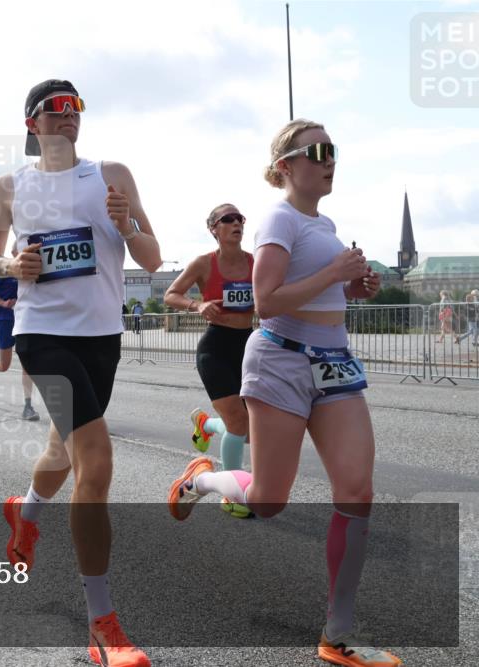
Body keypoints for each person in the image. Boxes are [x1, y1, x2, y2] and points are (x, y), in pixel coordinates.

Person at [166, 119, 401, 666]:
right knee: (269, 501)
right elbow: (267, 301)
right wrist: (334, 272)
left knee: (357, 492)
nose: (330, 160)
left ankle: (337, 636)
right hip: (281, 362)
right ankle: (201, 479)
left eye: (333, 150)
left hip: (334, 363)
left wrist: (354, 286)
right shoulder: (278, 218)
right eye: (318, 151)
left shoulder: (325, 223)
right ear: (285, 167)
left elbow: (320, 292)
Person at [0, 79, 161, 667]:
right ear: (32, 123)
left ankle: (24, 511)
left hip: (101, 337)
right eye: (55, 108)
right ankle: (102, 626)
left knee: (63, 448)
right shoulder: (12, 186)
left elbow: (152, 258)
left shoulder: (111, 174)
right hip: (41, 332)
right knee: (96, 461)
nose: (69, 115)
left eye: (76, 106)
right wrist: (11, 264)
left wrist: (127, 223)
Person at [164, 203, 254, 518]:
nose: (236, 222)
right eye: (228, 219)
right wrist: (197, 305)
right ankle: (231, 494)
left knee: (248, 431)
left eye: (240, 218)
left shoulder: (256, 262)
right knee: (238, 422)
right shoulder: (204, 263)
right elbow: (171, 294)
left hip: (249, 347)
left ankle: (205, 425)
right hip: (215, 348)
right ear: (213, 228)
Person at [0, 256, 40, 421]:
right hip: (6, 320)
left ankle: (28, 406)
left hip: (25, 320)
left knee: (27, 363)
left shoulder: (31, 270)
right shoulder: (4, 271)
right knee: (5, 365)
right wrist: (3, 303)